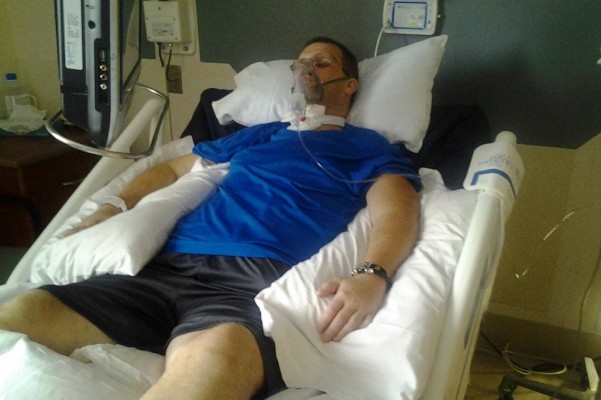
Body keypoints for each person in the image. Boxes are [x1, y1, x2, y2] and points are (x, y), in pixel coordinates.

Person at [0, 37, 420, 400]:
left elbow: (395, 206)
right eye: (301, 63)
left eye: (321, 63)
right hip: (165, 266)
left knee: (214, 362)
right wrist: (115, 204)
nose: (306, 70)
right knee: (27, 311)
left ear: (350, 84)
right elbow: (171, 167)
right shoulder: (263, 133)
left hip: (247, 283)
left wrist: (373, 274)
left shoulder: (367, 145)